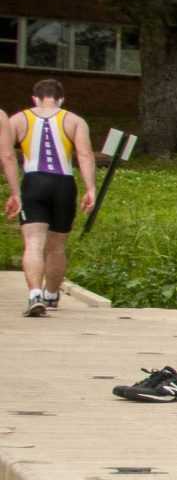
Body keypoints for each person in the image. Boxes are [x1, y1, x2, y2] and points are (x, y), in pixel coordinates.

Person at [3, 79, 96, 316]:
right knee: (57, 245)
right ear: (61, 99)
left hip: (33, 182)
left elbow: (8, 156)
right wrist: (90, 188)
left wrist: (15, 191)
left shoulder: (18, 119)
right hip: (64, 183)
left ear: (34, 98)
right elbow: (84, 155)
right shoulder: (75, 120)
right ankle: (52, 295)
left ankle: (34, 294)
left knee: (33, 242)